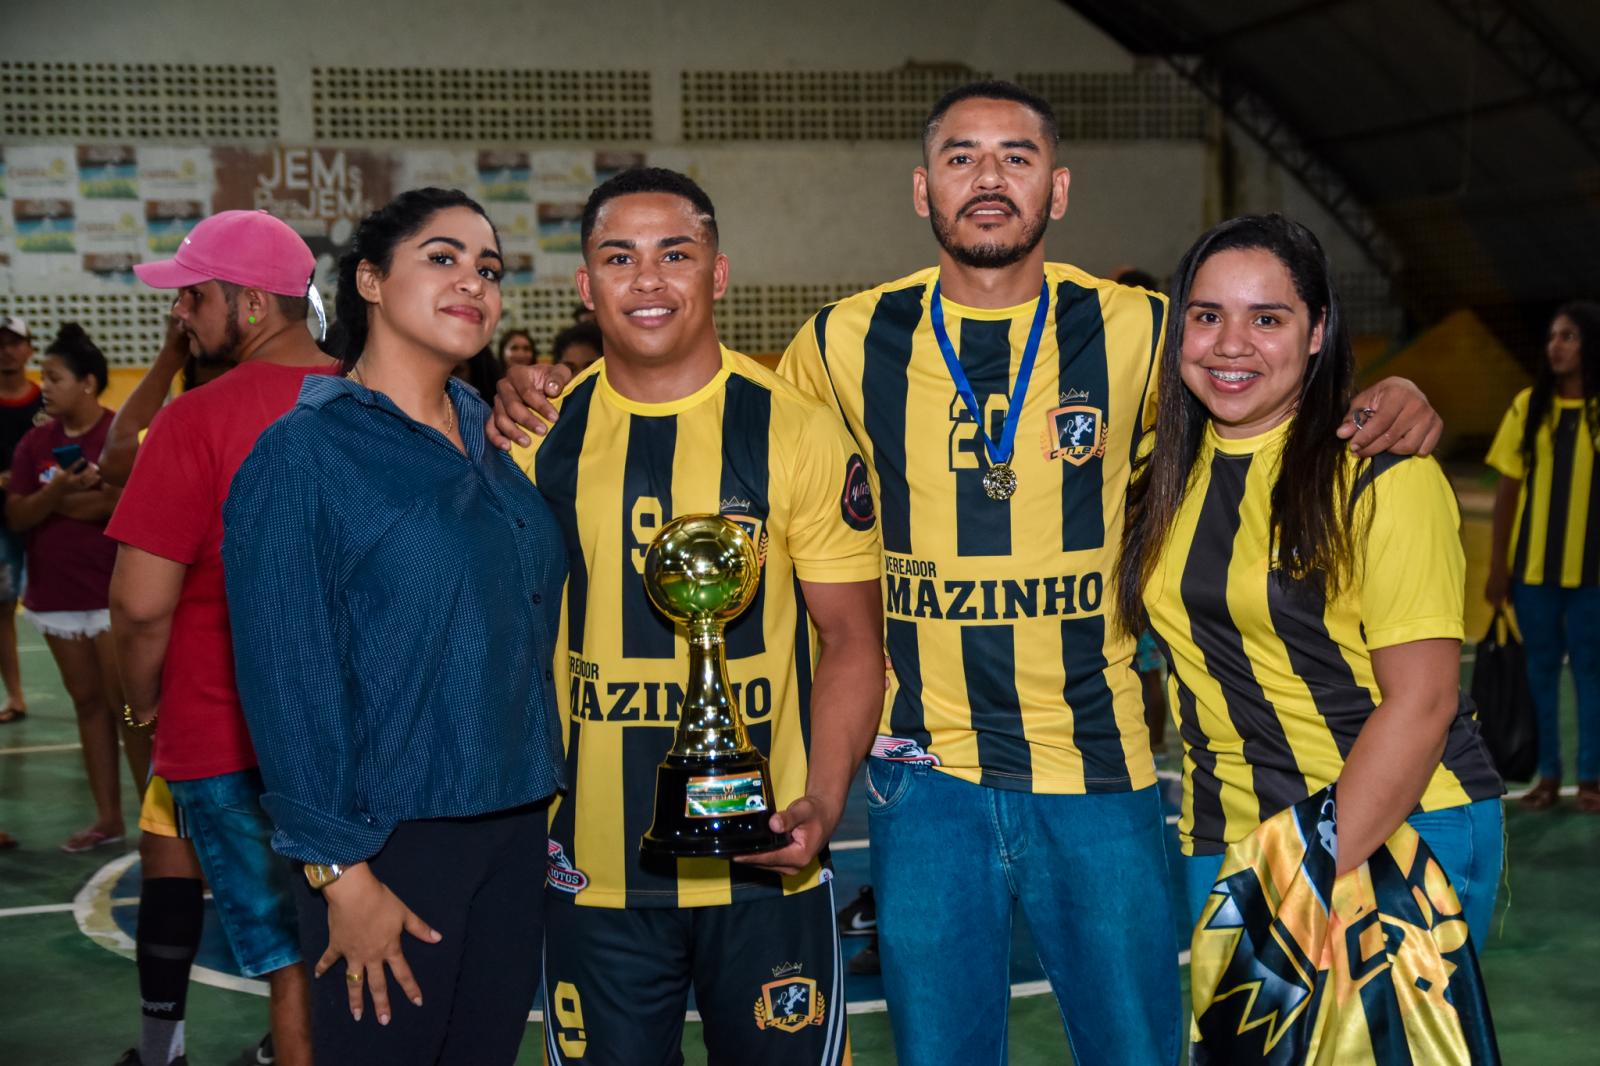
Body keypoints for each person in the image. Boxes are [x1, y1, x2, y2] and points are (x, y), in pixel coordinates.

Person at [487, 82, 1442, 1066]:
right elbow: (704, 405)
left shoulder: (1143, 329)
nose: (988, 178)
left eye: (1016, 157)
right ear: (921, 189)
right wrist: (542, 386)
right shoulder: (841, 343)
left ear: (1057, 190)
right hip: (925, 781)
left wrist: (1391, 395)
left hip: (1099, 770)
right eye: (961, 157)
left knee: (1139, 1050)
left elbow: (1264, 375)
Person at [508, 167, 882, 1066]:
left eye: (675, 254)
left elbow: (853, 643)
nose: (648, 280)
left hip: (767, 868)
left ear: (717, 274)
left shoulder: (798, 432)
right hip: (591, 871)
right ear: (584, 284)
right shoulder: (531, 438)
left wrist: (824, 805)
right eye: (619, 257)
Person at [223, 187, 566, 1065]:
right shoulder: (303, 454)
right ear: (370, 281)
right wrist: (340, 872)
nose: (474, 284)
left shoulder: (496, 436)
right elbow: (285, 678)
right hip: (389, 844)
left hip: (518, 824)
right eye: (443, 259)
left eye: (488, 269)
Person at [1117, 213, 1505, 946]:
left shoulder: (1379, 472)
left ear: (1318, 330)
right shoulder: (1159, 472)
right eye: (1207, 316)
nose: (1232, 344)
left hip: (1395, 828)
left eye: (1268, 318)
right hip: (1225, 838)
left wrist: (1306, 869)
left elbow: (1422, 706)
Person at [107, 209, 334, 1066]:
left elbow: (138, 605)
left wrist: (142, 710)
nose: (181, 314)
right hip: (362, 732)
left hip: (222, 734)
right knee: (361, 951)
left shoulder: (195, 421)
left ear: (249, 306)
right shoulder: (373, 400)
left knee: (289, 967)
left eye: (194, 296)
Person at [6, 323, 147, 852]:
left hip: (112, 596)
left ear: (88, 382)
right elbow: (18, 516)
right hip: (56, 597)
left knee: (129, 712)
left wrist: (62, 501)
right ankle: (108, 819)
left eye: (57, 377)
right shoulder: (34, 444)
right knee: (87, 706)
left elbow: (118, 506)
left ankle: (155, 825)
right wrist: (64, 491)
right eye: (44, 376)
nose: (45, 386)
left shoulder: (118, 437)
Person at [1486, 301, 1600, 812]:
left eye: (1569, 336)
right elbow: (1507, 493)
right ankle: (1548, 776)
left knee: (1591, 674)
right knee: (1540, 673)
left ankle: (1591, 777)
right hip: (1532, 574)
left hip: (1593, 576)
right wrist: (1496, 568)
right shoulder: (1528, 408)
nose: (1555, 345)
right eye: (1553, 336)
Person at [0, 314, 43, 724]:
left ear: (29, 348)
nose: (7, 352)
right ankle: (15, 696)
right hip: (3, 525)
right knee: (1, 608)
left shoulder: (46, 404)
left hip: (50, 520)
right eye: (1, 344)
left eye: (15, 343)